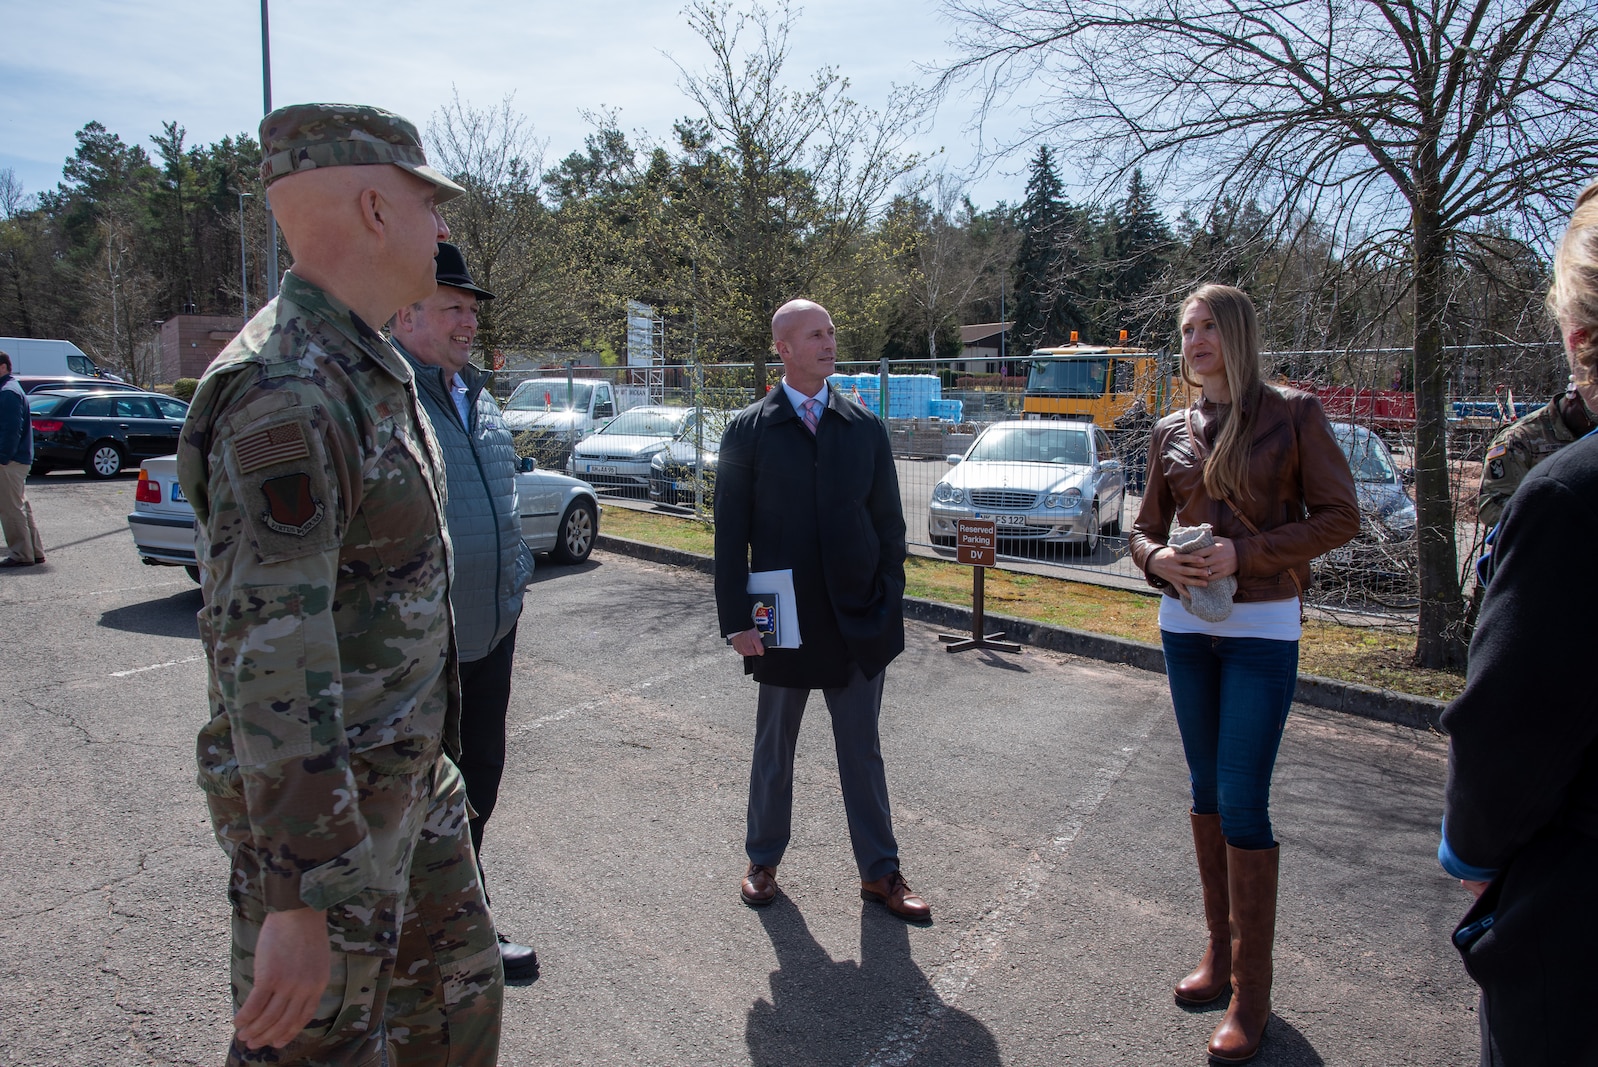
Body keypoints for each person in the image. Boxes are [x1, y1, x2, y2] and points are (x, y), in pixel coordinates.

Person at [177, 103, 502, 1066]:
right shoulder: (290, 389)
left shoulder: (365, 364)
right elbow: (267, 654)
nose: (441, 227)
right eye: (426, 204)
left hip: (408, 783)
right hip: (333, 824)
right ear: (372, 208)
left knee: (457, 1006)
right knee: (317, 1049)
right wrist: (299, 893)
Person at [1129, 284, 1359, 1063]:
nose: (1194, 341)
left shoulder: (1295, 413)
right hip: (1185, 628)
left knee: (1240, 796)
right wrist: (1160, 560)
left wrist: (1245, 554)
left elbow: (1340, 516)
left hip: (1262, 627)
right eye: (1186, 329)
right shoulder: (1170, 428)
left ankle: (1252, 996)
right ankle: (1219, 955)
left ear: (1237, 335)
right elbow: (1141, 529)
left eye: (1207, 328)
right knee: (1202, 792)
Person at [1440, 179, 1598, 1066]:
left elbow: (1513, 731)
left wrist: (1472, 835)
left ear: (1578, 337)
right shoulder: (1533, 457)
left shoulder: (1573, 493)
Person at [713, 298, 932, 923]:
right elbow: (731, 537)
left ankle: (880, 873)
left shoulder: (861, 425)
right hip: (781, 622)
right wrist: (735, 619)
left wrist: (890, 598)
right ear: (784, 348)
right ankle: (762, 859)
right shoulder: (750, 430)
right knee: (774, 745)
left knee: (861, 748)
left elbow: (890, 524)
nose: (829, 341)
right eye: (815, 334)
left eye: (832, 331)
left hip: (857, 617)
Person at [389, 241, 540, 982]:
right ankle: (423, 943)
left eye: (471, 311)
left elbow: (504, 507)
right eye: (453, 308)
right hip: (427, 650)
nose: (466, 323)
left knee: (479, 779)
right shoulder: (391, 397)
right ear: (406, 311)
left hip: (492, 634)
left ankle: (464, 918)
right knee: (422, 798)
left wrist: (516, 582)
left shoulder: (475, 397)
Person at [1474, 380, 1595, 529]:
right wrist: (1557, 520)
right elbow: (1491, 507)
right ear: (1572, 399)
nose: (1594, 426)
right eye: (1592, 417)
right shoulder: (1521, 438)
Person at [0, 349, 44, 567]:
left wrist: (2, 457)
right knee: (20, 506)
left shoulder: (8, 392)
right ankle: (34, 551)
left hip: (10, 461)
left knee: (10, 509)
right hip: (16, 459)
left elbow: (10, 430)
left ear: (3, 367)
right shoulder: (9, 389)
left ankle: (20, 554)